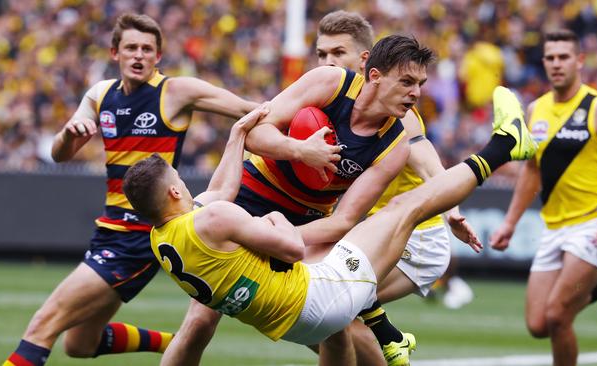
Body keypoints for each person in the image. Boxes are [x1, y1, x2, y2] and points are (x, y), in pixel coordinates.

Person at [123, 85, 536, 366]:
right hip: (319, 294)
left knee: (340, 337)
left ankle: (387, 332)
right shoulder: (215, 217)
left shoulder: (164, 237)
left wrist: (237, 136)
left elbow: (221, 189)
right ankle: (503, 144)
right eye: (179, 181)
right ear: (176, 193)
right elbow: (292, 248)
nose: (185, 184)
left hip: (284, 323)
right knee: (405, 208)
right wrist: (275, 218)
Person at [161, 34, 452, 366]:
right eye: (407, 82)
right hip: (249, 197)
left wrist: (273, 239)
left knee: (339, 325)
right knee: (200, 321)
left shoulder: (395, 145)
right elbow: (257, 133)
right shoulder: (330, 82)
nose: (416, 93)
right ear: (374, 75)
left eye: (420, 83)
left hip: (305, 222)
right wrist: (301, 150)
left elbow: (343, 221)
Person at [2, 13, 258, 366]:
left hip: (138, 236)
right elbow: (59, 155)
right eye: (131, 48)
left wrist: (298, 142)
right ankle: (172, 344)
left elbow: (248, 110)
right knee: (79, 344)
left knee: (42, 326)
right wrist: (69, 134)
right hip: (109, 230)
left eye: (147, 49)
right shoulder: (99, 94)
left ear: (158, 57)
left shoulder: (175, 92)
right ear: (115, 53)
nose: (139, 55)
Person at [314, 10, 481, 365]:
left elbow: (425, 159)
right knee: (326, 320)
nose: (326, 62)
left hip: (414, 238)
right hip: (370, 232)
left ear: (364, 62)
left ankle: (391, 343)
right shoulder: (330, 100)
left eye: (337, 54)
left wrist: (452, 209)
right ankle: (390, 341)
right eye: (321, 54)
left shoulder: (397, 111)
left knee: (337, 311)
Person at [490, 29, 597, 366]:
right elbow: (531, 171)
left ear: (579, 61)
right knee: (538, 324)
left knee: (558, 316)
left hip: (592, 223)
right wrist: (510, 223)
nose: (556, 64)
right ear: (543, 62)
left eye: (564, 57)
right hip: (552, 226)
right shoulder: (536, 110)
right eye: (550, 58)